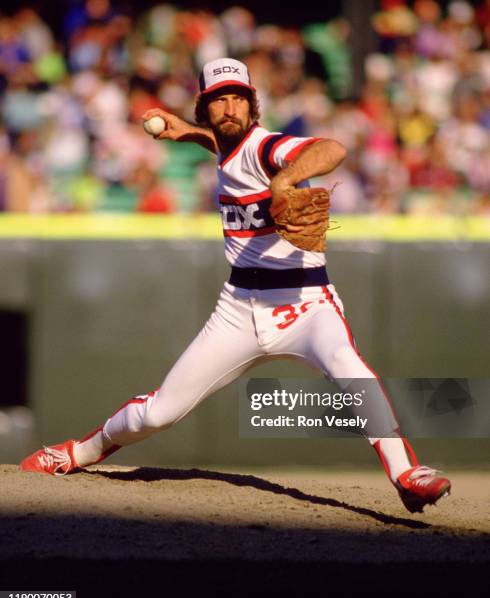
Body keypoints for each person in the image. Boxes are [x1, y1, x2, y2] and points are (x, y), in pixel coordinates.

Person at [20, 58, 451, 513]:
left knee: (350, 369)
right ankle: (78, 452)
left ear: (253, 104)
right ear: (206, 109)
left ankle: (406, 473)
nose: (230, 108)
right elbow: (226, 146)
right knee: (160, 412)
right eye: (219, 100)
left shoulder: (270, 148)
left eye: (238, 99)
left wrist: (285, 177)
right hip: (239, 307)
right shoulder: (226, 146)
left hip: (306, 304)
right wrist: (187, 132)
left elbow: (332, 148)